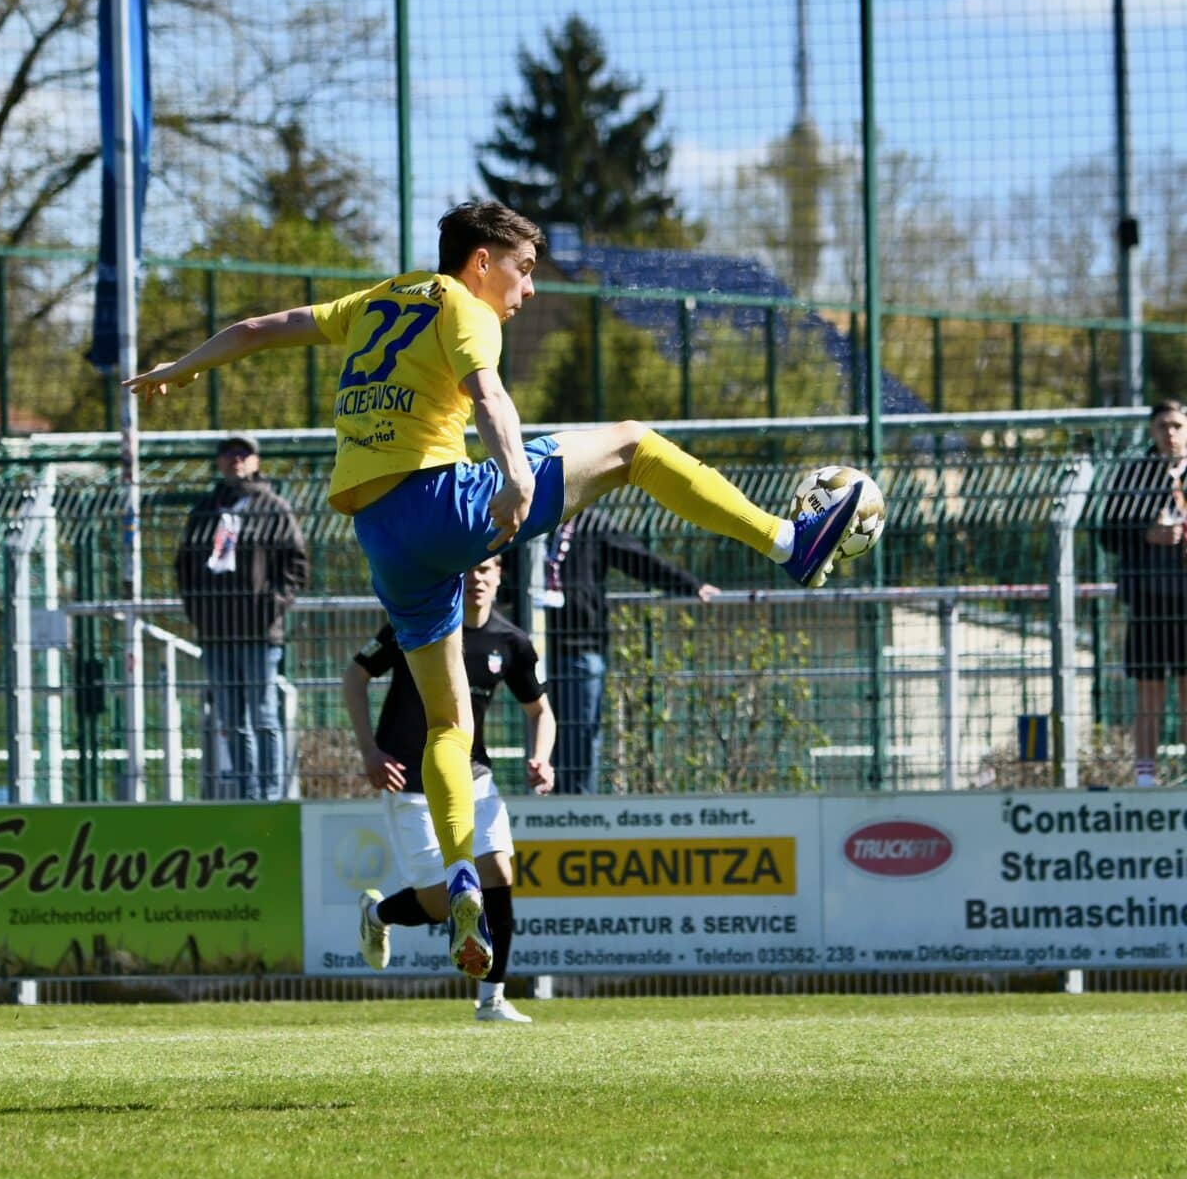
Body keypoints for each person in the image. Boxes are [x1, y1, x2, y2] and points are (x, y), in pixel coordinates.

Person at [127, 199, 864, 979]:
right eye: (524, 268)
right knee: (636, 443)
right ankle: (790, 540)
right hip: (445, 502)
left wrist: (180, 369)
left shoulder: (376, 299)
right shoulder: (462, 303)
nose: (530, 289)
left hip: (381, 536)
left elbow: (259, 328)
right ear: (482, 260)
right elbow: (490, 397)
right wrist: (514, 477)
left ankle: (460, 875)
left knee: (447, 723)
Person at [344, 558, 552, 1021]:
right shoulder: (421, 623)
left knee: (497, 872)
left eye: (489, 568)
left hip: (474, 778)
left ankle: (491, 1000)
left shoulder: (512, 642)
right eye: (471, 568)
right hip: (410, 782)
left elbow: (542, 712)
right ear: (457, 573)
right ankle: (377, 916)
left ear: (500, 577)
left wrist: (542, 757)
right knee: (442, 903)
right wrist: (370, 752)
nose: (478, 577)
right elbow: (355, 676)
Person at [527, 509, 718, 793]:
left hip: (580, 649)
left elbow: (640, 561)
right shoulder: (531, 525)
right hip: (533, 651)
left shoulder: (593, 525)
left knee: (580, 737)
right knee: (537, 739)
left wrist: (689, 585)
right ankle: (542, 812)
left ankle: (577, 813)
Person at [174, 433, 309, 800]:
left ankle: (269, 792)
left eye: (243, 453)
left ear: (256, 460)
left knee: (263, 714)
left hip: (259, 632)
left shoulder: (273, 508)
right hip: (216, 632)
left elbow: (296, 563)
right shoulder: (205, 509)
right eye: (228, 453)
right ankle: (246, 790)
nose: (236, 459)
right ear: (219, 462)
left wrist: (270, 605)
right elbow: (185, 564)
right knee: (231, 719)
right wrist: (198, 610)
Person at [1099, 399, 1187, 787]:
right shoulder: (1133, 475)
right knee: (1149, 691)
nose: (1170, 434)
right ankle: (1145, 777)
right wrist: (1146, 535)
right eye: (1162, 427)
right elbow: (1107, 533)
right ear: (1151, 431)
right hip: (1149, 600)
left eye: (1177, 426)